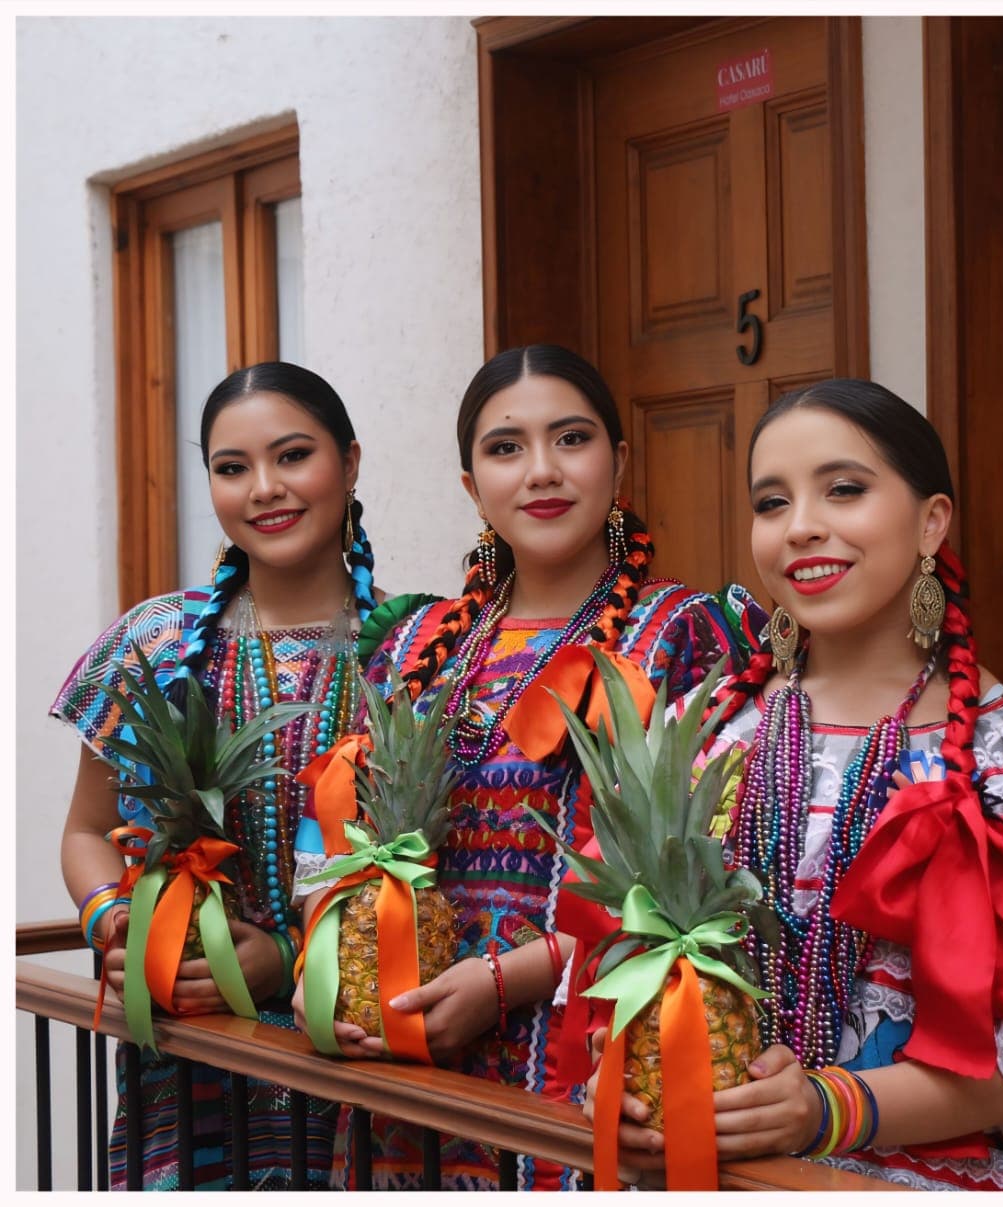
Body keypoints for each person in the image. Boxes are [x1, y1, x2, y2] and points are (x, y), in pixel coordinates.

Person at [593, 378, 1003, 1191]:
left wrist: (828, 1108)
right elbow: (632, 959)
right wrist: (631, 1059)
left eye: (844, 489)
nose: (800, 526)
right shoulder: (703, 732)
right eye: (771, 502)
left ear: (932, 520)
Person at [293, 344, 760, 1191]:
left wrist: (505, 979)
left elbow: (707, 874)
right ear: (472, 485)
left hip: (587, 1060)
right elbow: (338, 835)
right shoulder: (414, 645)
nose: (540, 471)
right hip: (409, 1065)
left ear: (619, 462)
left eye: (571, 439)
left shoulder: (680, 632)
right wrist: (323, 966)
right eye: (505, 448)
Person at [55, 362, 380, 1190]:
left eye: (293, 455)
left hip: (357, 1065)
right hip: (187, 1065)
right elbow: (87, 829)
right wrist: (119, 927)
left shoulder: (416, 648)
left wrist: (281, 956)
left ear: (349, 461)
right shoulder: (153, 640)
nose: (264, 488)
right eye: (231, 468)